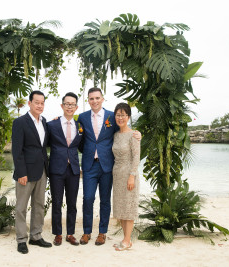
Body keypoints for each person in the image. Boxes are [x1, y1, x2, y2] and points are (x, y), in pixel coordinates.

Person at [77, 87, 141, 246]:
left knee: (105, 200)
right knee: (88, 198)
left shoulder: (112, 117)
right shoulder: (83, 117)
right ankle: (86, 232)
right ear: (88, 100)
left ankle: (102, 233)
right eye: (91, 99)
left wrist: (138, 134)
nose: (95, 101)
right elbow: (80, 140)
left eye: (97, 98)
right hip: (89, 165)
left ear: (102, 99)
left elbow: (124, 129)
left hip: (107, 166)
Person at [12, 90, 52, 254]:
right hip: (25, 172)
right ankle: (21, 239)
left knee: (39, 205)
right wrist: (21, 172)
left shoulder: (44, 122)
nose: (40, 105)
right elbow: (17, 150)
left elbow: (44, 145)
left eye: (42, 103)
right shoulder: (20, 122)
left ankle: (35, 236)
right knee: (21, 207)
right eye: (37, 102)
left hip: (42, 170)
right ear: (30, 103)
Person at [47, 92, 83, 246]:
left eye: (72, 104)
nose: (70, 106)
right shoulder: (52, 125)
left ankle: (70, 233)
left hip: (74, 169)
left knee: (72, 203)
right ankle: (58, 234)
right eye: (67, 104)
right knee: (56, 202)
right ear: (62, 106)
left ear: (76, 107)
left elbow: (81, 146)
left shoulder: (80, 126)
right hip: (56, 169)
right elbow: (44, 144)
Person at [111, 102, 141, 251]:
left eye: (123, 115)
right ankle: (126, 239)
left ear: (128, 117)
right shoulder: (116, 135)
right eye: (118, 115)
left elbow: (136, 157)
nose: (120, 118)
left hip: (129, 173)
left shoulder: (134, 135)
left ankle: (127, 240)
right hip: (117, 175)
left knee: (128, 208)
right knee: (121, 208)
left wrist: (132, 176)